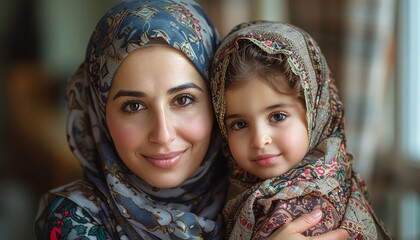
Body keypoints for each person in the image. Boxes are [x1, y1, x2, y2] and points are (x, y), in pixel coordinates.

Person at [34, 1, 349, 239]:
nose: (163, 133)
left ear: (216, 102)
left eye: (183, 100)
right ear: (99, 115)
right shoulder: (74, 217)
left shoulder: (265, 192)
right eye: (133, 106)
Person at [210, 21, 392, 239]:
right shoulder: (234, 185)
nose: (259, 140)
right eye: (239, 124)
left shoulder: (311, 210)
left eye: (277, 116)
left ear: (315, 114)